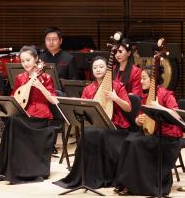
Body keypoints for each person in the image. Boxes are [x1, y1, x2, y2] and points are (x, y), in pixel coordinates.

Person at [53, 56, 133, 190]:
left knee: (94, 133)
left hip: (115, 126)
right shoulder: (89, 89)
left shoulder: (117, 85)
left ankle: (102, 176)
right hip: (96, 126)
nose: (98, 69)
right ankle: (86, 176)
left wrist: (115, 98)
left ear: (108, 70)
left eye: (101, 67)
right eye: (95, 67)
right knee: (90, 132)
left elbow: (128, 108)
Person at [113, 65, 183, 196]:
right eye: (140, 78)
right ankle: (125, 183)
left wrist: (159, 107)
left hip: (169, 138)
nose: (140, 81)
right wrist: (137, 120)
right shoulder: (146, 96)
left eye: (144, 78)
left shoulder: (166, 94)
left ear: (153, 80)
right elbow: (140, 118)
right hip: (153, 134)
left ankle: (138, 185)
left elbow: (177, 115)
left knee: (136, 143)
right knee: (129, 140)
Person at [0, 46, 59, 184]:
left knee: (15, 123)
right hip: (24, 113)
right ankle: (8, 169)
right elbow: (15, 97)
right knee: (12, 121)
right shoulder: (20, 78)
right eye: (22, 61)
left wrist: (40, 86)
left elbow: (54, 100)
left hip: (40, 117)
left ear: (36, 59)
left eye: (28, 60)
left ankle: (28, 171)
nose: (25, 63)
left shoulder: (46, 77)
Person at [39, 27, 82, 91]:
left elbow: (74, 82)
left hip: (62, 94)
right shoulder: (40, 58)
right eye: (48, 39)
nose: (51, 42)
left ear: (60, 41)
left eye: (54, 39)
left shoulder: (69, 58)